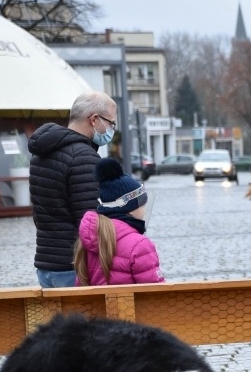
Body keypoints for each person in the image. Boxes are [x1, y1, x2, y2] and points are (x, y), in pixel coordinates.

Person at [29, 91, 113, 287]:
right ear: (94, 119)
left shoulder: (41, 153)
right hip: (74, 266)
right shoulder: (84, 157)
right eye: (111, 123)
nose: (111, 129)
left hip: (46, 263)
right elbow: (91, 223)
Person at [74, 157, 164, 287]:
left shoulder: (87, 240)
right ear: (130, 208)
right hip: (130, 308)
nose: (144, 210)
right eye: (142, 204)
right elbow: (157, 294)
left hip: (96, 307)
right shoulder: (140, 245)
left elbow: (80, 286)